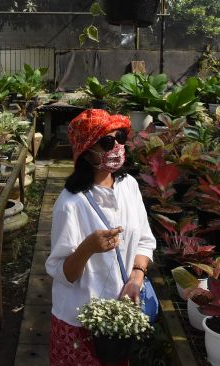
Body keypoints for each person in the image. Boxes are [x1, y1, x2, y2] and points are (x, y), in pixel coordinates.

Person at [46, 109, 157, 365]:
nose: (117, 146)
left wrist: (136, 279)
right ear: (86, 152)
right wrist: (87, 248)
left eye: (119, 137)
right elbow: (62, 273)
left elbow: (144, 239)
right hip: (79, 321)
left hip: (120, 316)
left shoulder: (128, 186)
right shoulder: (70, 204)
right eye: (107, 142)